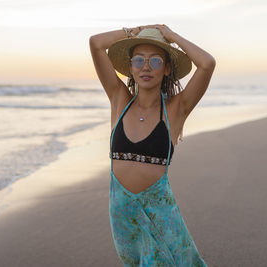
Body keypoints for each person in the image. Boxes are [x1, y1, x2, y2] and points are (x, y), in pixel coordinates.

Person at [89, 24, 215, 266]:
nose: (146, 67)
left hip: (160, 213)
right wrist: (130, 32)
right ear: (130, 68)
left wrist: (172, 36)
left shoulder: (176, 109)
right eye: (138, 60)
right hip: (123, 216)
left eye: (156, 61)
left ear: (167, 69)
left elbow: (207, 64)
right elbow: (95, 43)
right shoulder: (119, 99)